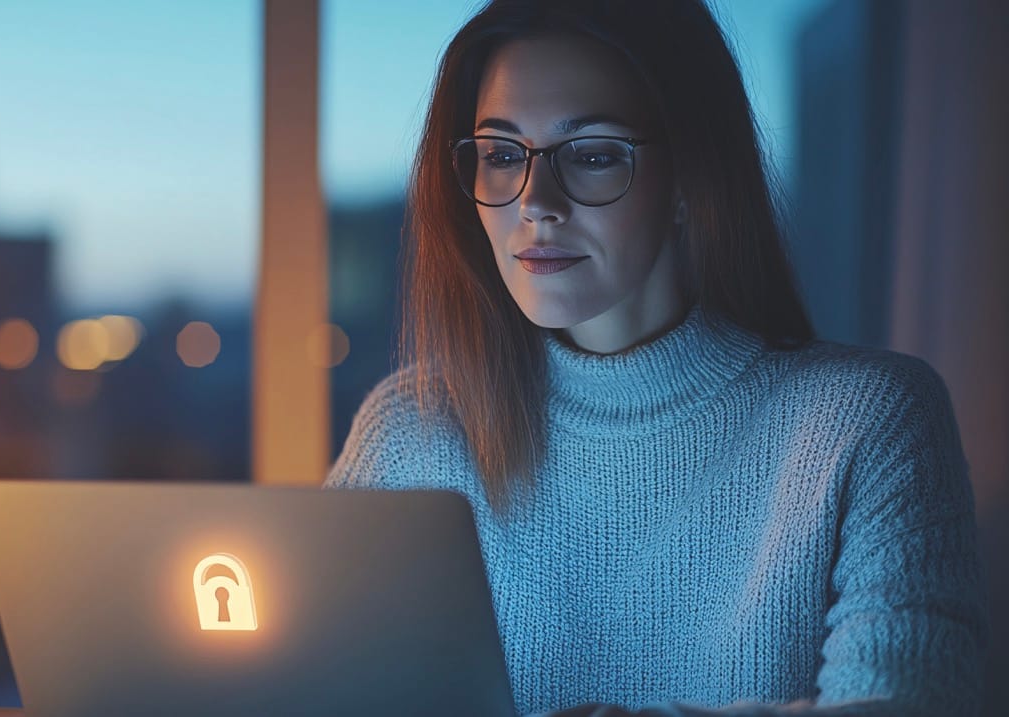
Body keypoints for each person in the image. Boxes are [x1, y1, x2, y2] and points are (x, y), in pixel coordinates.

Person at [322, 1, 986, 715]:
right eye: (502, 154)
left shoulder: (869, 420)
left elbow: (910, 701)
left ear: (688, 179)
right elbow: (300, 687)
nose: (535, 204)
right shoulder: (411, 433)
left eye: (595, 154)